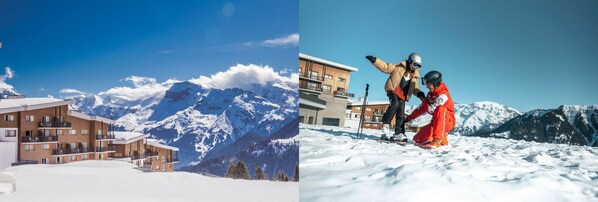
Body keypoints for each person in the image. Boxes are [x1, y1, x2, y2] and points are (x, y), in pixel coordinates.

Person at [365, 53, 425, 141]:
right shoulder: (399, 66)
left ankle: (398, 133)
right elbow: (386, 67)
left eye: (418, 66)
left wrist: (420, 94)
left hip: (403, 96)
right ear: (409, 61)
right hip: (393, 90)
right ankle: (386, 123)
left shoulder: (415, 76)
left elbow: (415, 88)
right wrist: (375, 61)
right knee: (395, 104)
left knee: (401, 114)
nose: (416, 67)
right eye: (415, 64)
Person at [405, 70, 456, 148]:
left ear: (435, 83)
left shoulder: (443, 95)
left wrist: (426, 102)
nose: (426, 86)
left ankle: (438, 139)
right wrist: (408, 118)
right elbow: (422, 108)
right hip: (436, 123)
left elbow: (432, 109)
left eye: (428, 84)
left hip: (448, 122)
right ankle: (443, 139)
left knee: (440, 109)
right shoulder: (431, 94)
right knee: (417, 139)